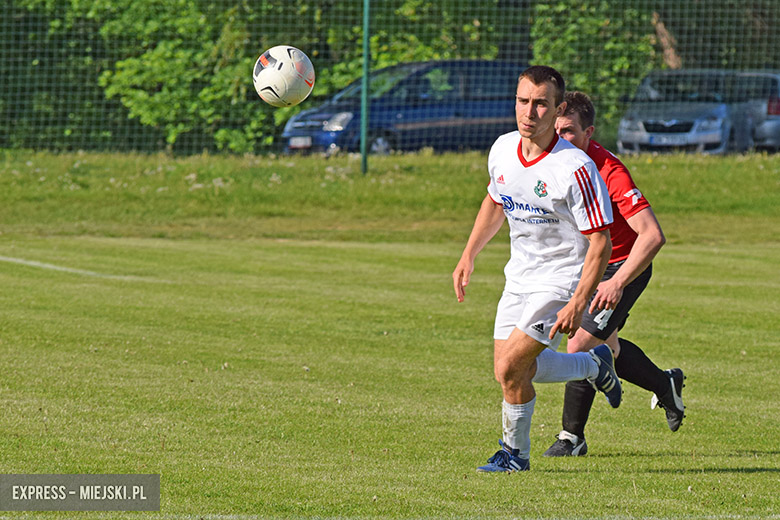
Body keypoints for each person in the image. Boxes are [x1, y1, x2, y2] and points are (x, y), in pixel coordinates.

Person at [452, 66, 622, 473]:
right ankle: (595, 364)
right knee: (507, 372)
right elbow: (496, 202)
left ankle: (515, 455)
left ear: (558, 108)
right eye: (523, 101)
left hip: (562, 279)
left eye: (541, 103)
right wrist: (469, 253)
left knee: (513, 366)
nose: (529, 112)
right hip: (520, 277)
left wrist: (579, 301)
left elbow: (602, 241)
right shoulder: (502, 149)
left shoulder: (575, 169)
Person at [543, 91, 685, 458]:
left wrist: (617, 282)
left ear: (589, 132)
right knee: (608, 347)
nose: (561, 138)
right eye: (556, 130)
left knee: (579, 345)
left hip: (623, 267)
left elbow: (652, 236)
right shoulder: (554, 163)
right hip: (590, 265)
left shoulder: (609, 171)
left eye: (570, 131)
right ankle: (665, 383)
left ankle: (571, 439)